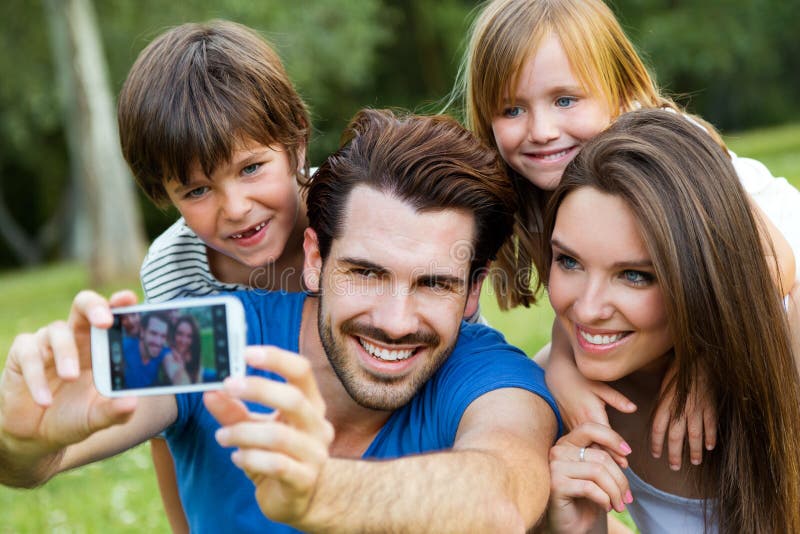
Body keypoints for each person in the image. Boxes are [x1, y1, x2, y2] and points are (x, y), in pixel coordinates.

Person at [0, 109, 561, 533]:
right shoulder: (208, 335)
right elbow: (29, 464)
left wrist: (319, 492)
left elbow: (503, 496)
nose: (395, 321)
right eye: (365, 272)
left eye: (434, 283)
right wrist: (21, 438)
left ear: (472, 293)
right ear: (314, 259)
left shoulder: (490, 374)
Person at [456, 0, 799, 473]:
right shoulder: (539, 185)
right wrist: (561, 362)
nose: (541, 131)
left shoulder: (672, 149)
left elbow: (775, 264)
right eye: (512, 109)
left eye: (565, 100)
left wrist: (702, 360)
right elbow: (584, 298)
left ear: (623, 89)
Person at [541, 109, 800, 533]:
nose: (587, 309)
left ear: (703, 272)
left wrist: (711, 351)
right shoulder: (558, 396)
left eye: (635, 275)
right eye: (568, 261)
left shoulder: (790, 347)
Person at [116, 20, 312, 531]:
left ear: (297, 142)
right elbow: (168, 422)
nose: (236, 208)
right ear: (165, 194)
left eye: (251, 168)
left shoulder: (357, 221)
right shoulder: (173, 268)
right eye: (197, 191)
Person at [122, 312, 172, 388]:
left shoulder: (163, 352)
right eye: (153, 333)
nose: (158, 342)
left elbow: (175, 369)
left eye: (163, 336)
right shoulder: (125, 347)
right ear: (142, 332)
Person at [161, 315, 203, 385]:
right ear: (174, 334)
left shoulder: (193, 354)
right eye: (180, 334)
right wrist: (180, 367)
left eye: (189, 336)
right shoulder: (168, 355)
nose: (183, 341)